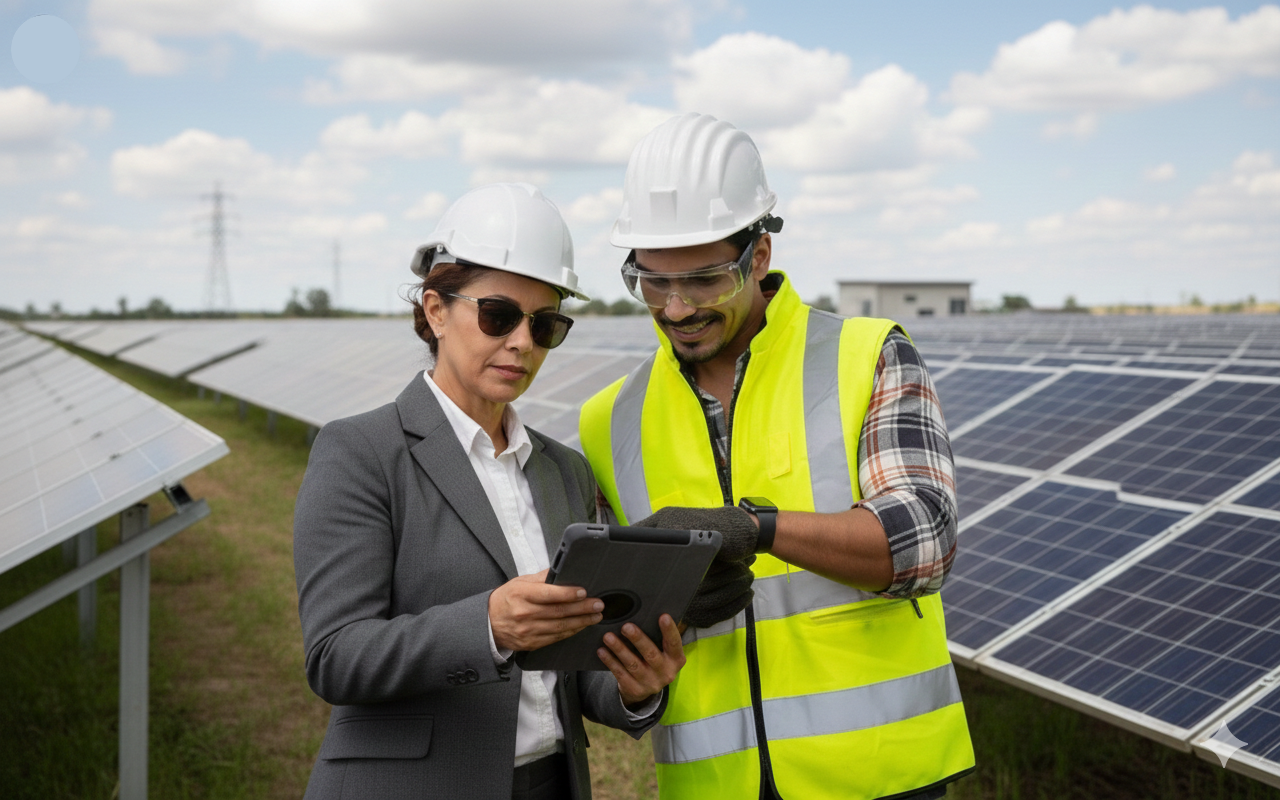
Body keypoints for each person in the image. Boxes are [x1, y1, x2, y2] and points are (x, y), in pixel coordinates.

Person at [579, 114, 976, 799]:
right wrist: (663, 605)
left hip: (877, 774)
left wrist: (755, 529)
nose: (675, 308)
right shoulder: (608, 418)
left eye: (704, 280)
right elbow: (606, 619)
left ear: (757, 255)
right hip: (712, 783)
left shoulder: (867, 355)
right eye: (651, 281)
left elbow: (924, 544)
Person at [294, 182, 685, 800]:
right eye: (499, 315)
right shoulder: (362, 452)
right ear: (436, 310)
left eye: (545, 323)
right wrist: (489, 626)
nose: (522, 342)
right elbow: (337, 655)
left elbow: (573, 672)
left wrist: (636, 686)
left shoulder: (564, 471)